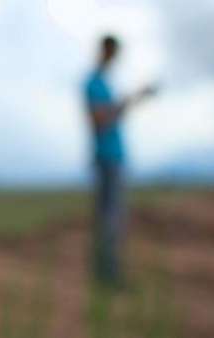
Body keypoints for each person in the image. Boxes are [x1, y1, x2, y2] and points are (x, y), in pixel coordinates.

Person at [83, 35, 155, 286]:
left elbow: (110, 114)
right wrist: (125, 102)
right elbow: (99, 120)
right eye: (112, 53)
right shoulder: (93, 82)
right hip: (107, 157)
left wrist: (134, 99)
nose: (113, 59)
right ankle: (109, 276)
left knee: (110, 217)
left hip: (112, 157)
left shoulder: (103, 83)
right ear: (104, 51)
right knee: (111, 218)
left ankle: (106, 273)